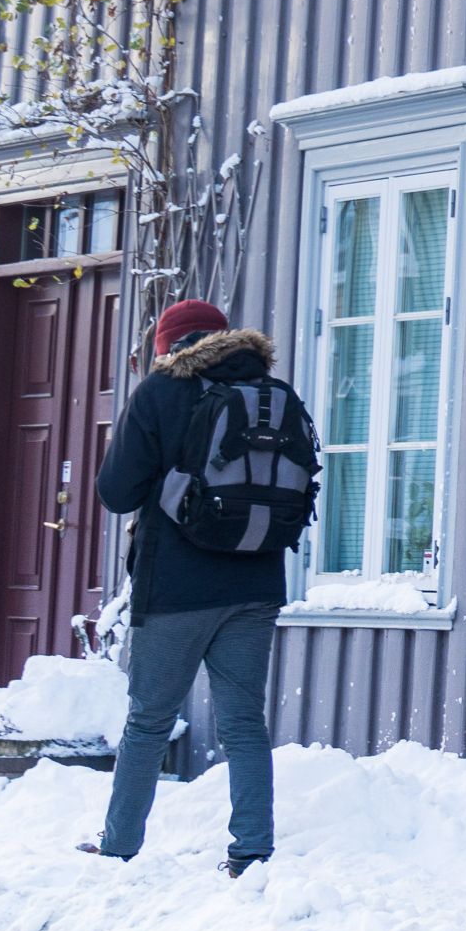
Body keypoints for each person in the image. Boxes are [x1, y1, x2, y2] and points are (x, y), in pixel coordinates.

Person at [85, 296, 293, 870]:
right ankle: (252, 850)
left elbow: (116, 492)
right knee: (244, 721)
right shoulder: (271, 396)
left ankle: (119, 846)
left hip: (176, 585)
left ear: (167, 348)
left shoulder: (159, 393)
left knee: (148, 720)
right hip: (256, 583)